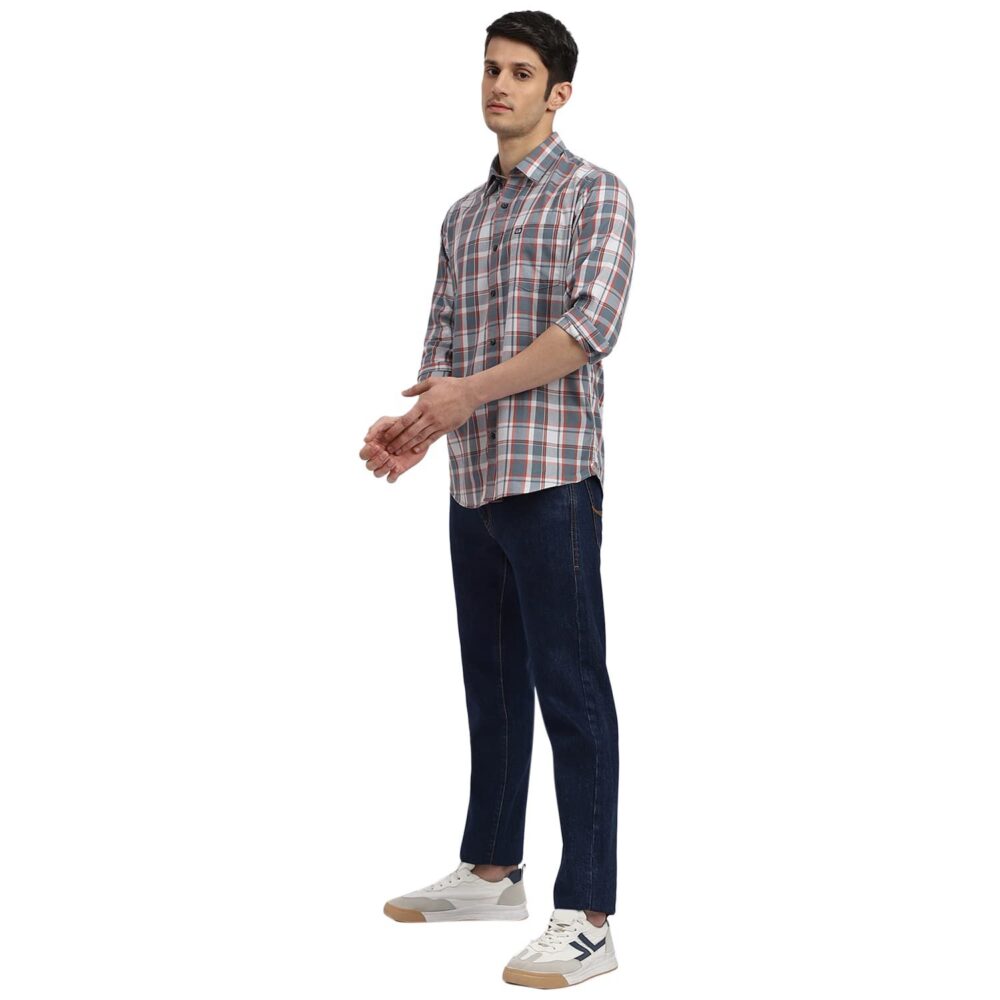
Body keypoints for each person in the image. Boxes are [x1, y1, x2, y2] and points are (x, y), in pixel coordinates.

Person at [358, 10, 636, 990]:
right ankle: (491, 871)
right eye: (490, 68)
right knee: (493, 685)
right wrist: (413, 429)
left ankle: (589, 915)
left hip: (552, 476)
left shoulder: (595, 194)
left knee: (573, 692)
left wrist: (466, 396)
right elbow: (444, 344)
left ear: (559, 93)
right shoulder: (462, 218)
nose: (499, 85)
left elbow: (588, 329)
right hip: (474, 481)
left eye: (520, 72)